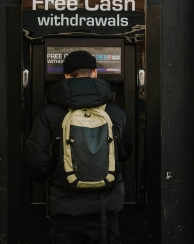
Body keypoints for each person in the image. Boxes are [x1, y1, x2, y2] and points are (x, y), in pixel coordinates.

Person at [26, 50, 134, 244]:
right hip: (104, 211)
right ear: (94, 72)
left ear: (66, 75)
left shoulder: (49, 114)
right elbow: (125, 153)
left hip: (65, 212)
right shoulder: (116, 113)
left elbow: (37, 164)